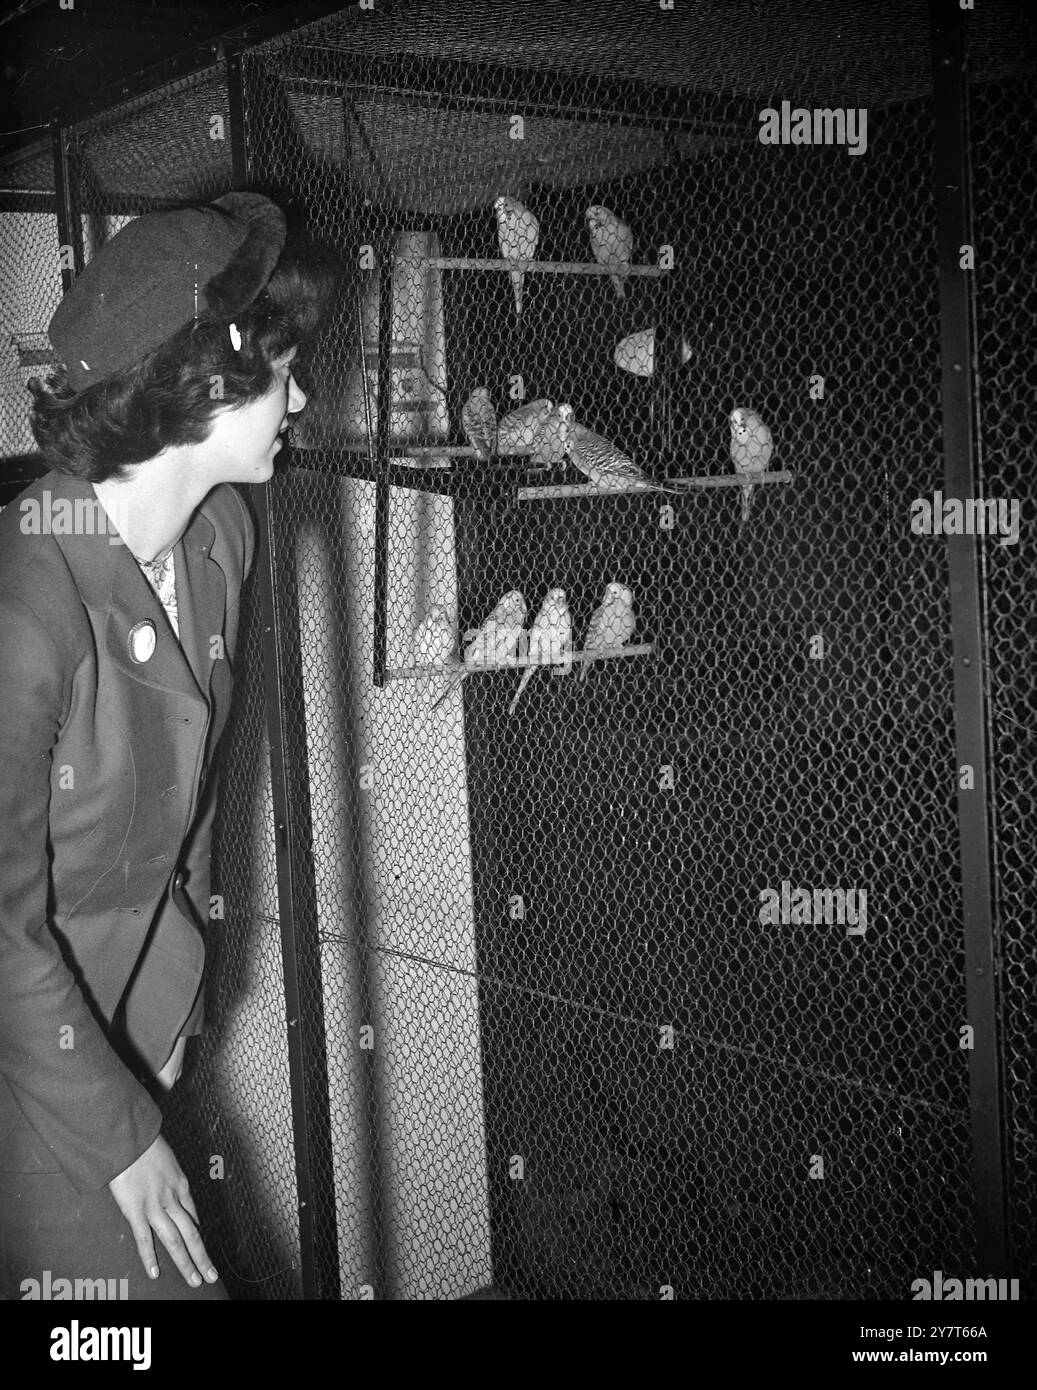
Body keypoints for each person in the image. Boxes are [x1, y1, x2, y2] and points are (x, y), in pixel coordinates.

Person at [0, 191, 328, 1300]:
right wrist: (120, 1131)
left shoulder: (220, 538)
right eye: (284, 366)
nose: (305, 394)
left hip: (124, 1024)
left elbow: (196, 784)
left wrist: (176, 1001)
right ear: (209, 382)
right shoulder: (26, 601)